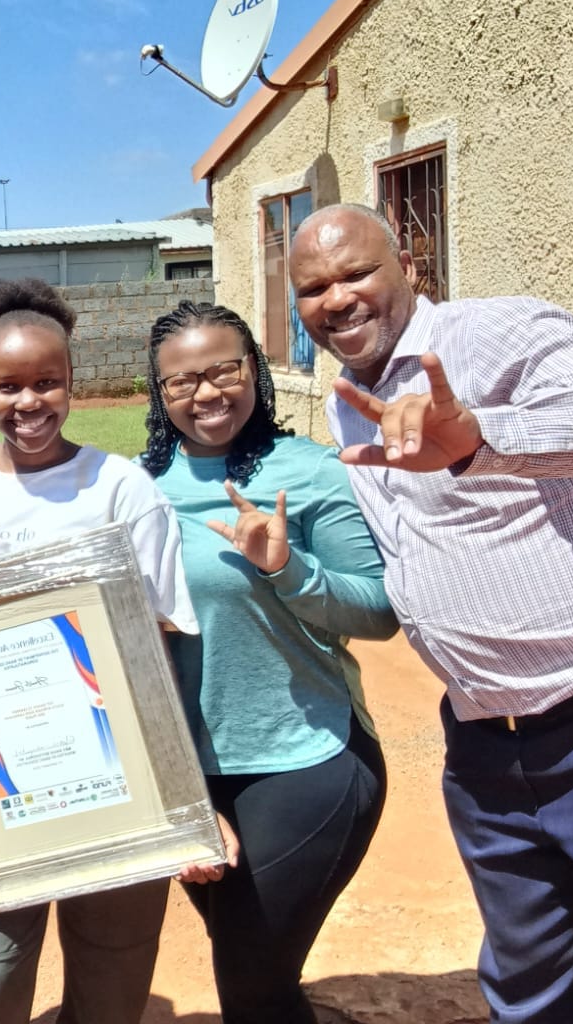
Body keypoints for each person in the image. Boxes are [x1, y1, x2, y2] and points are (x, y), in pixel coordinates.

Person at [288, 201, 573, 1024]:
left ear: (408, 268)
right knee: (532, 995)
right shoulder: (352, 394)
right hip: (489, 747)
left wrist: (485, 436)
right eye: (313, 288)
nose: (337, 300)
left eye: (356, 273)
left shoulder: (492, 336)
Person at [0, 277, 202, 1024]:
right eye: (6, 386)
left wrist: (185, 800)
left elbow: (165, 638)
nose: (28, 403)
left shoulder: (120, 486)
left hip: (119, 775)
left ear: (73, 382)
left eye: (47, 382)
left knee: (111, 988)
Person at [139, 300, 397, 1023]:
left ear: (254, 367)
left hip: (304, 757)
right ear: (159, 394)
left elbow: (379, 612)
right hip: (188, 771)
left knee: (249, 976)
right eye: (182, 381)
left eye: (225, 368)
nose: (208, 392)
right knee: (253, 961)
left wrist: (290, 569)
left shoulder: (310, 474)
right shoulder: (131, 489)